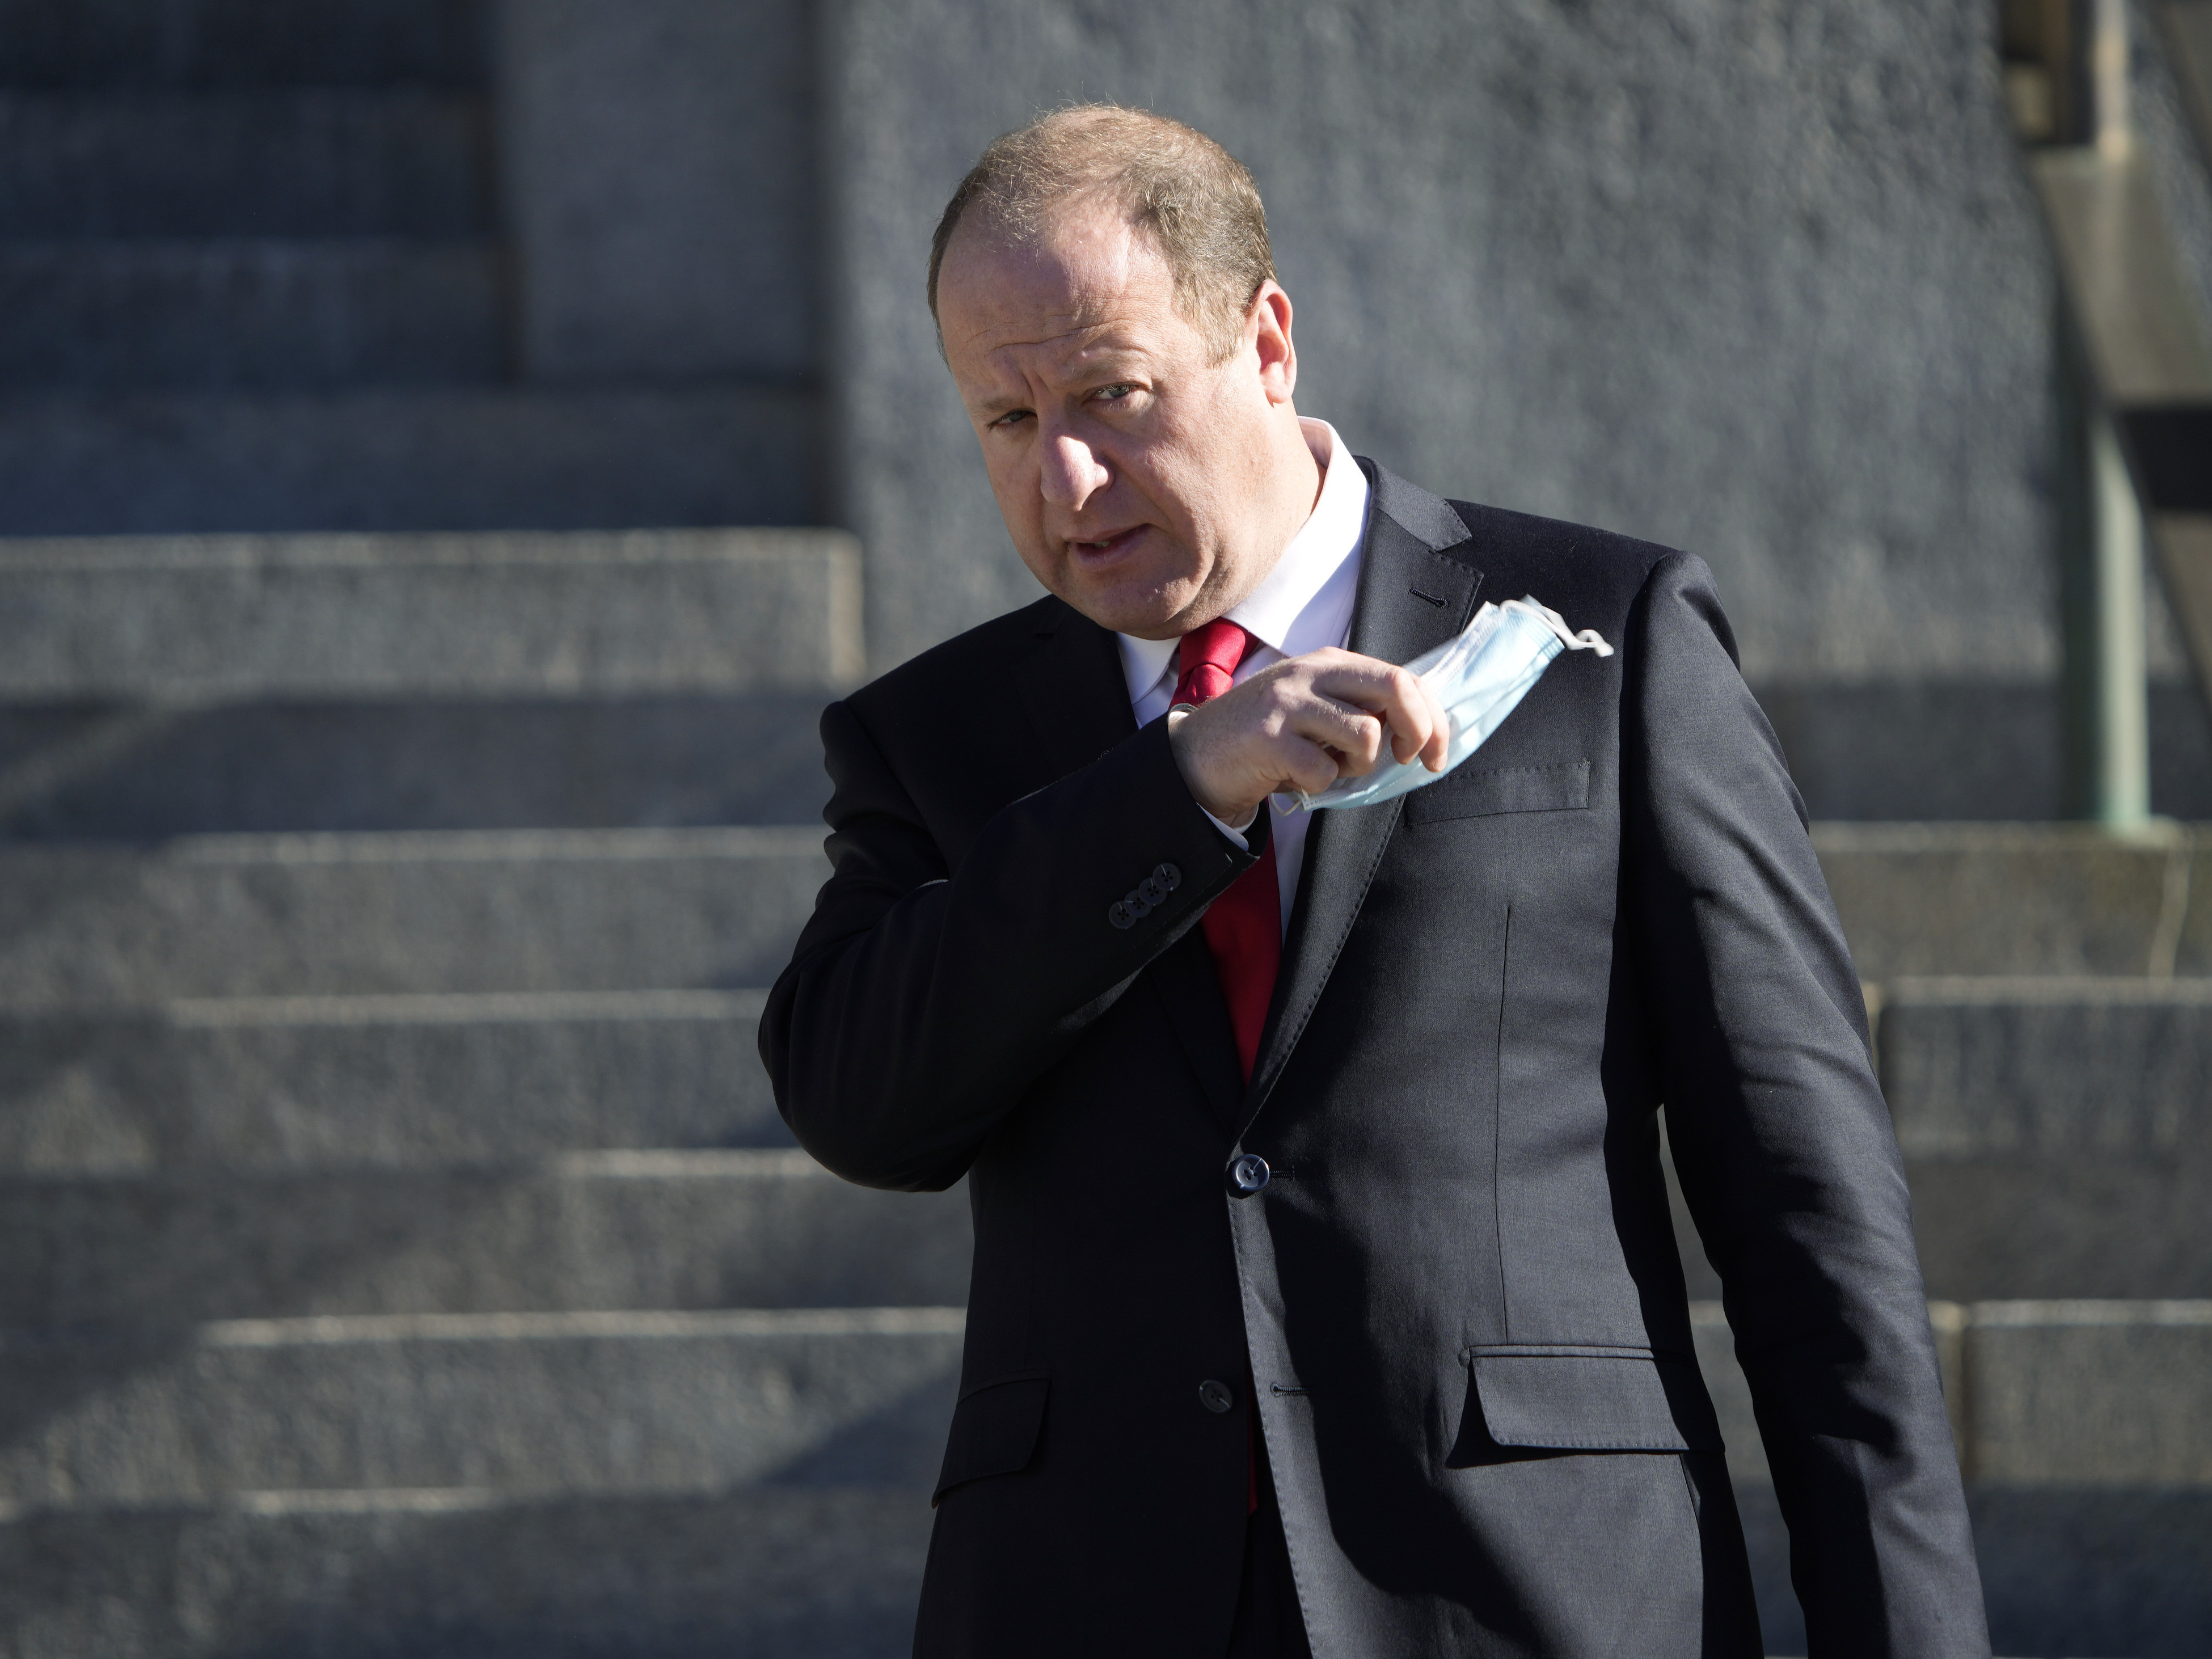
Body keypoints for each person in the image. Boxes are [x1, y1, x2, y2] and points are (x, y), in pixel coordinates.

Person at [760, 104, 1988, 1658]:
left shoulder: (1607, 634)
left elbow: (1811, 1216)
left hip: (1537, 1590)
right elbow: (856, 1103)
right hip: (1090, 1600)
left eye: (1110, 397)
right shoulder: (935, 736)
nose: (1066, 480)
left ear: (1265, 343)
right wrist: (1177, 788)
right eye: (1004, 423)